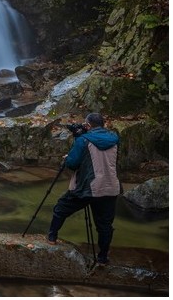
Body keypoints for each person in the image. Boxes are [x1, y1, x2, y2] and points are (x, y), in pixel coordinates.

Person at [47, 112, 120, 265]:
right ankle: (102, 258)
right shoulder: (114, 139)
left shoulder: (83, 141)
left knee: (60, 208)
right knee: (105, 225)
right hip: (110, 187)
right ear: (103, 124)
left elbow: (73, 164)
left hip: (88, 187)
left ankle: (52, 238)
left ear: (87, 125)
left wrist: (69, 157)